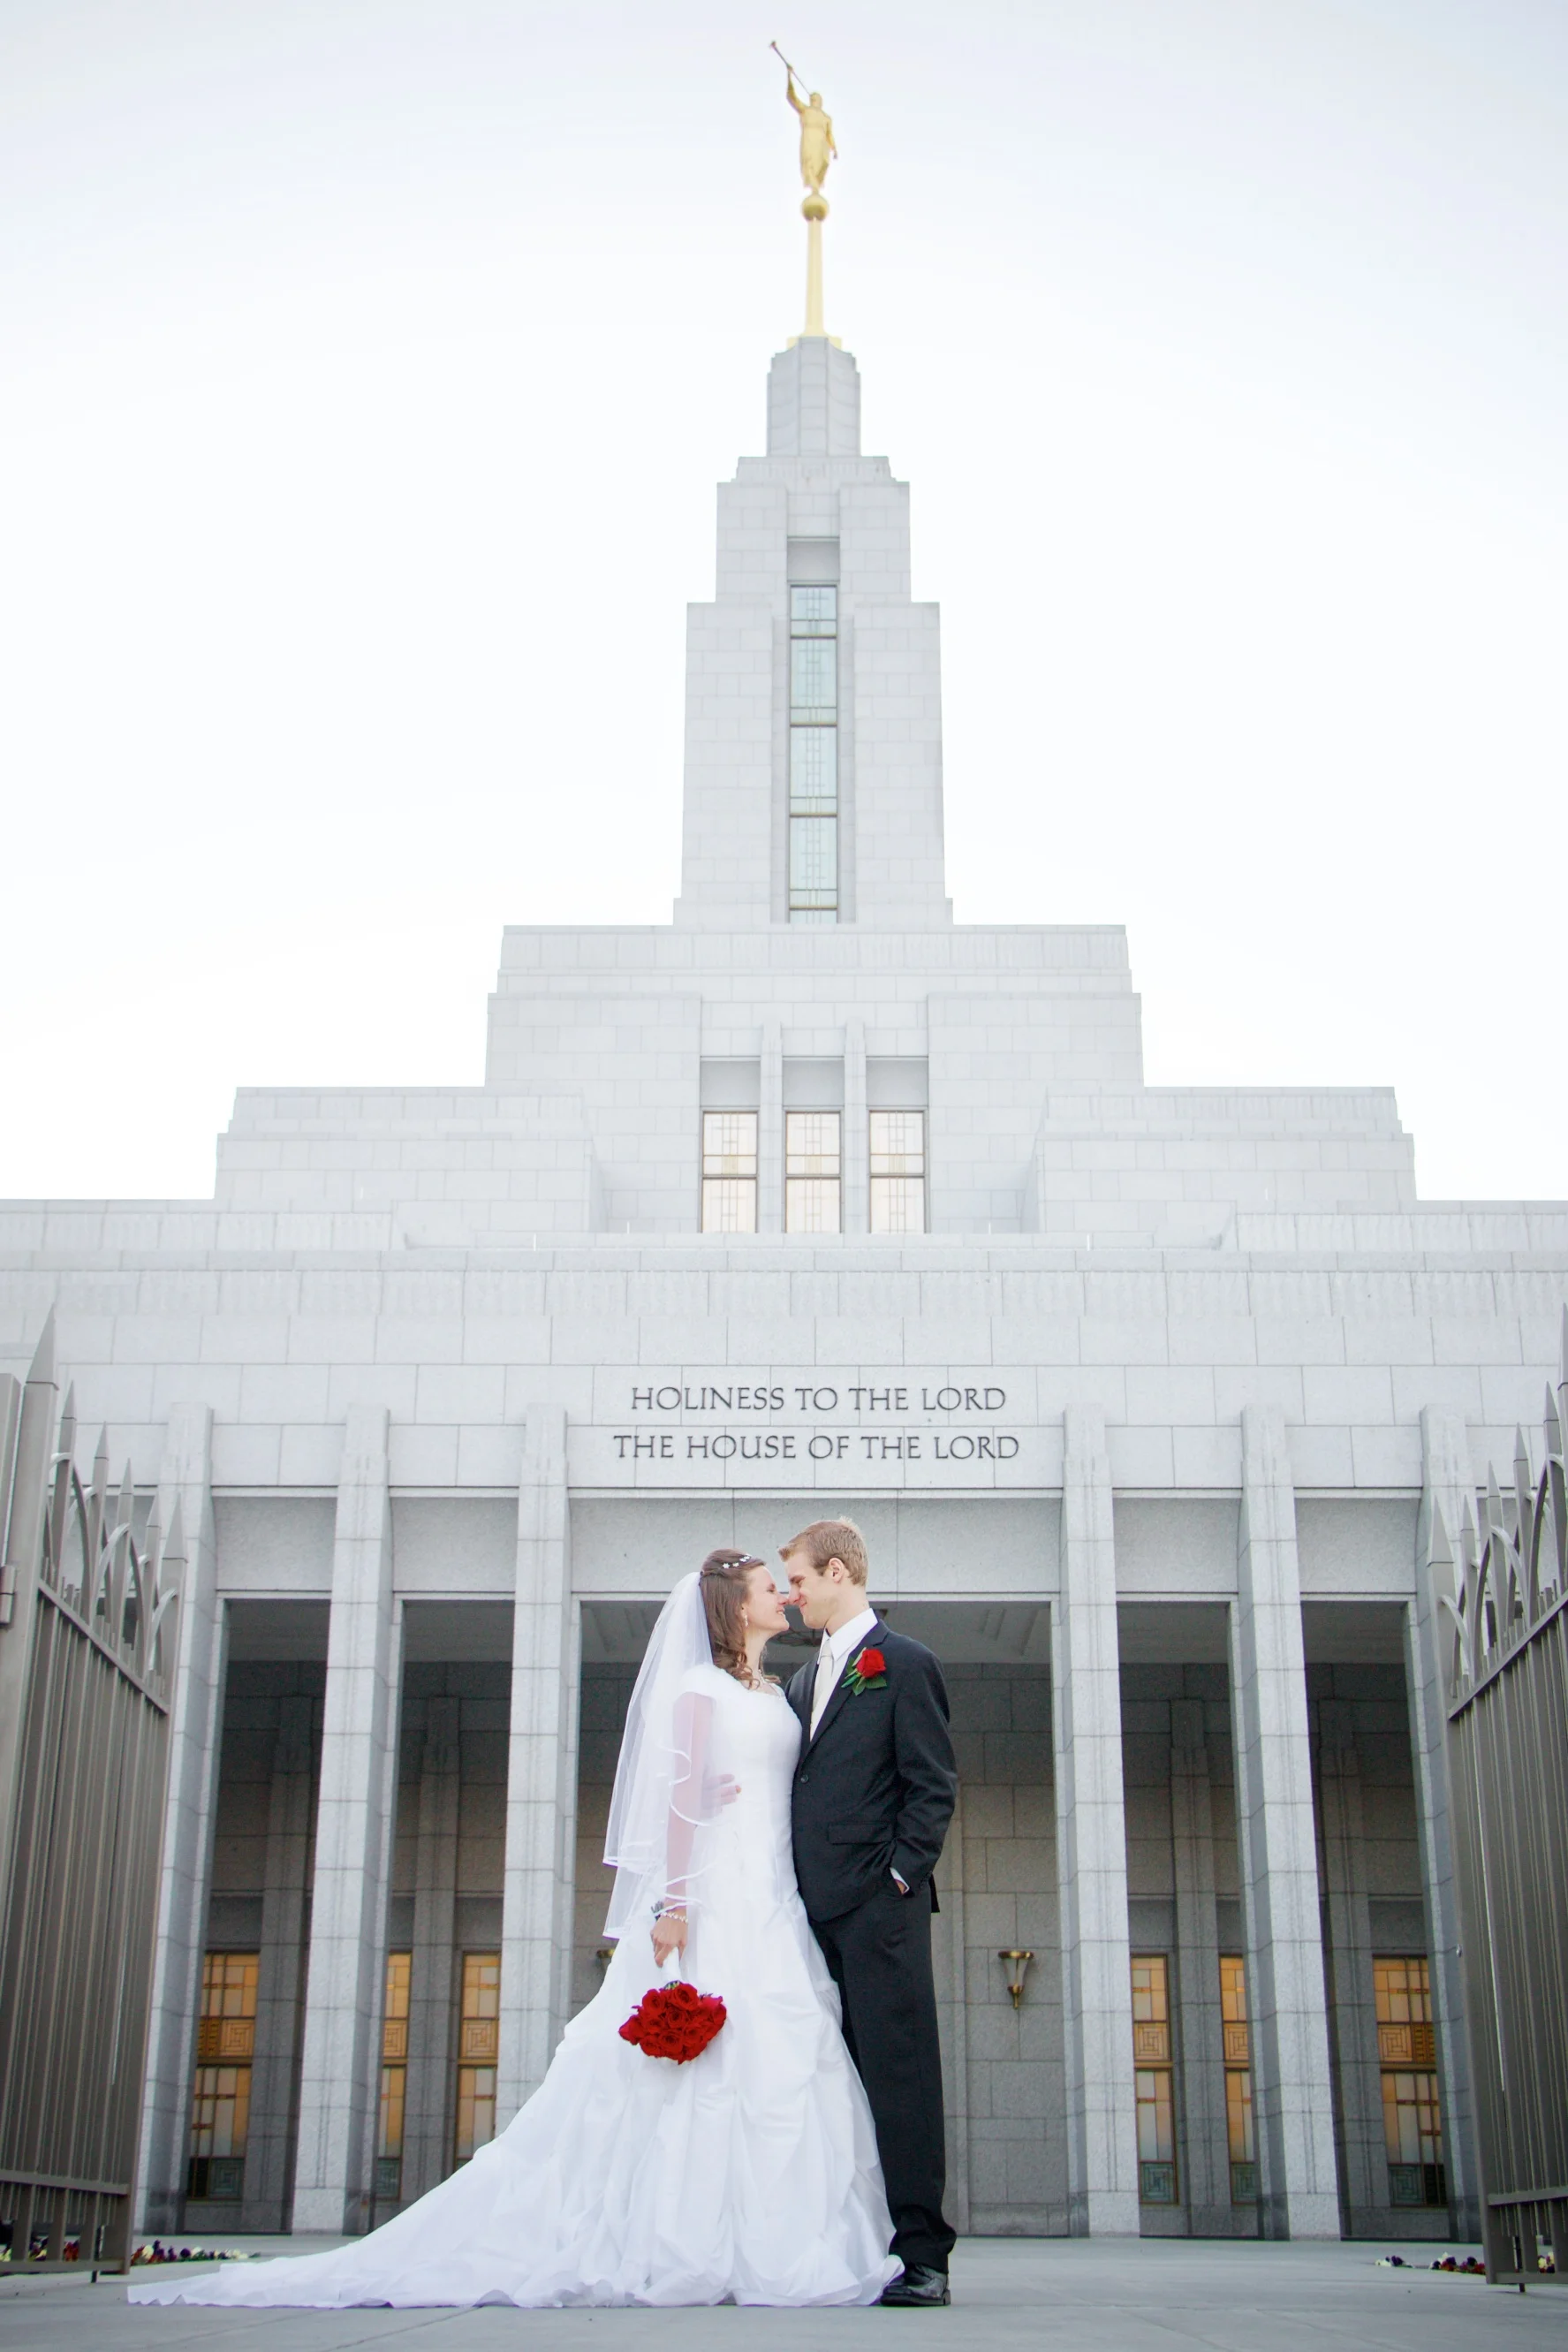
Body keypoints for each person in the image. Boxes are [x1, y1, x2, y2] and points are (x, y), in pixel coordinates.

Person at [130, 1551, 898, 2310]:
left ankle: (774, 2236)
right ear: (734, 1606)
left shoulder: (776, 1693)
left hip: (772, 1893)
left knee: (782, 2059)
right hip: (712, 1891)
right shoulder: (698, 1690)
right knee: (697, 2074)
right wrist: (672, 1904)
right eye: (768, 1588)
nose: (781, 1596)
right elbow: (674, 1796)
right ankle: (678, 2237)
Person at [783, 1519, 958, 2308]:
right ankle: (848, 2245)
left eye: (798, 1580)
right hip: (806, 1914)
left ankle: (923, 2256)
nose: (792, 1596)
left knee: (900, 2078)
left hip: (879, 1912)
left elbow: (932, 1784)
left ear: (837, 1572)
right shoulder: (798, 1682)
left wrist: (897, 1878)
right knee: (828, 2082)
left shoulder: (905, 1662)